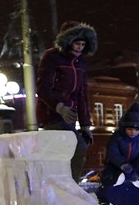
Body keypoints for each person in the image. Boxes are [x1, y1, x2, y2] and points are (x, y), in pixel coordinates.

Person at [37, 21, 97, 182]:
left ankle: (66, 185)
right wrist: (59, 107)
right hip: (52, 114)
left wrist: (85, 125)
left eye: (83, 44)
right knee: (77, 146)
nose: (80, 47)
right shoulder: (52, 57)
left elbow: (82, 95)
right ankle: (70, 186)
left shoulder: (81, 64)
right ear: (68, 41)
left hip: (70, 116)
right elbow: (43, 88)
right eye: (77, 43)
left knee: (73, 148)